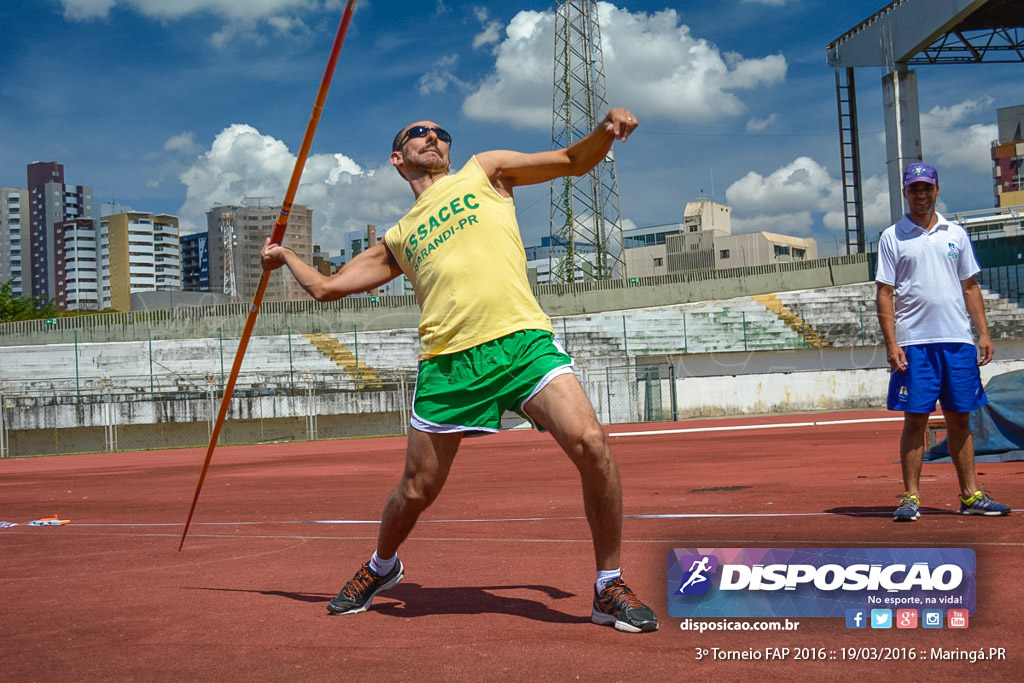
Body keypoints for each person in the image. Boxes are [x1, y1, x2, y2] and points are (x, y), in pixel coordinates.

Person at [261, 109, 658, 632]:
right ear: (397, 159)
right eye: (418, 133)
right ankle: (382, 566)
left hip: (521, 344)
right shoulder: (399, 237)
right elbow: (327, 288)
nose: (433, 138)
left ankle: (608, 586)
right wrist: (286, 255)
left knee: (591, 444)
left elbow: (570, 161)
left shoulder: (484, 171)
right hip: (448, 363)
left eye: (440, 133)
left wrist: (604, 134)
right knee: (416, 491)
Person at [875, 161, 1011, 522]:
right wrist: (892, 343)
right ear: (906, 192)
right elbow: (885, 293)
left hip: (956, 341)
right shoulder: (893, 236)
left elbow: (970, 285)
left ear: (937, 190)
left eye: (926, 188)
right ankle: (910, 497)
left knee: (960, 420)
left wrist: (982, 332)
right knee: (915, 421)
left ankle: (970, 496)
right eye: (913, 188)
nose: (920, 194)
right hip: (915, 342)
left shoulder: (957, 234)